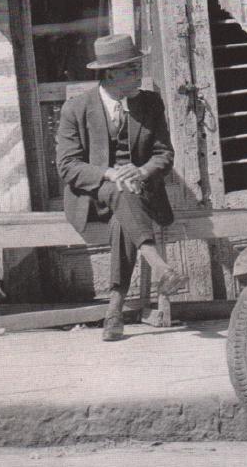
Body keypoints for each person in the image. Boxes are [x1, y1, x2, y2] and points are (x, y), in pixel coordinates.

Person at [55, 33, 188, 342]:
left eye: (137, 66)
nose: (138, 73)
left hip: (139, 197)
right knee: (120, 191)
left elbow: (164, 155)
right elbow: (68, 166)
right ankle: (159, 266)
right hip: (93, 196)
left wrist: (140, 171)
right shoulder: (75, 109)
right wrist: (110, 174)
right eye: (132, 68)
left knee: (123, 216)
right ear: (111, 73)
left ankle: (114, 310)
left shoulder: (150, 103)